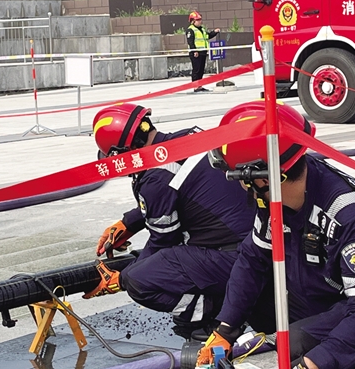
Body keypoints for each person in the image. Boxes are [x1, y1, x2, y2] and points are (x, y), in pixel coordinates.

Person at [197, 102, 355, 369]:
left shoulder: (351, 215)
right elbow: (253, 261)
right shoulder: (277, 198)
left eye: (238, 176)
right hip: (338, 298)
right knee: (263, 305)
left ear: (263, 179)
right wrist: (225, 330)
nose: (239, 185)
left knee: (300, 343)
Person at [84, 103, 256, 339]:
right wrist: (128, 223)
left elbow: (163, 242)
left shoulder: (154, 178)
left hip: (233, 259)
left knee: (139, 281)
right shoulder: (189, 137)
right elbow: (178, 192)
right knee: (151, 263)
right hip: (258, 243)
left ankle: (215, 312)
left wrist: (120, 279)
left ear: (124, 151)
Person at [186, 11, 220, 92]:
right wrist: (195, 51)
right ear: (193, 21)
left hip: (203, 52)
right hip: (196, 53)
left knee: (201, 70)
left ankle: (200, 85)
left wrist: (214, 32)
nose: (200, 21)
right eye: (198, 20)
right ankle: (195, 86)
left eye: (200, 19)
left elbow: (208, 36)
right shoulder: (191, 30)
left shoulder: (202, 29)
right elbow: (190, 42)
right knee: (196, 70)